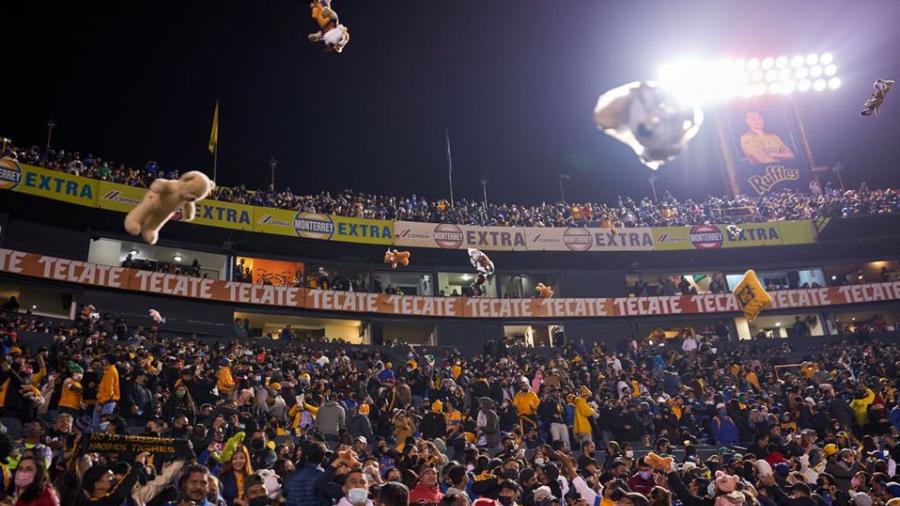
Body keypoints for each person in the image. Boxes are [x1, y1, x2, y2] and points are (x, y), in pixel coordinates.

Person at [284, 441, 332, 506]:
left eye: (300, 450)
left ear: (306, 456)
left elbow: (286, 492)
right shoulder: (323, 476)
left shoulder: (294, 474)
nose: (298, 452)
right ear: (323, 458)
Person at [92, 354, 119, 431]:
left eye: (104, 359)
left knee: (102, 428)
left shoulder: (111, 372)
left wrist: (100, 403)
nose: (103, 361)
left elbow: (109, 392)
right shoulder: (109, 371)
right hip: (105, 402)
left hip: (106, 403)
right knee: (98, 428)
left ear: (108, 361)